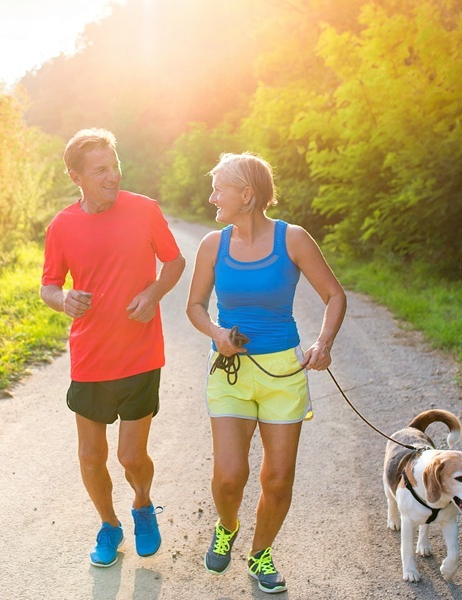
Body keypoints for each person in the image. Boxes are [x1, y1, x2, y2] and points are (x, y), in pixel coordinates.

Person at [185, 152, 346, 594]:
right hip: (231, 370)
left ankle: (260, 554)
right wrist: (216, 332)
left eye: (220, 188)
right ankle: (227, 525)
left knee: (278, 478)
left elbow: (334, 295)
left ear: (247, 194)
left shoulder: (292, 239)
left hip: (284, 372)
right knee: (229, 476)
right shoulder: (211, 245)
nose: (213, 196)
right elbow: (194, 306)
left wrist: (323, 343)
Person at [40, 128, 186, 568]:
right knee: (90, 455)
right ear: (76, 176)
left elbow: (175, 261)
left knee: (130, 455)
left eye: (115, 166)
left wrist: (155, 292)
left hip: (141, 353)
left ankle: (143, 505)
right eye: (100, 170)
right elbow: (48, 286)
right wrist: (63, 299)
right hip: (90, 357)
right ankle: (109, 524)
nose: (113, 177)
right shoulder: (62, 226)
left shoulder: (144, 210)